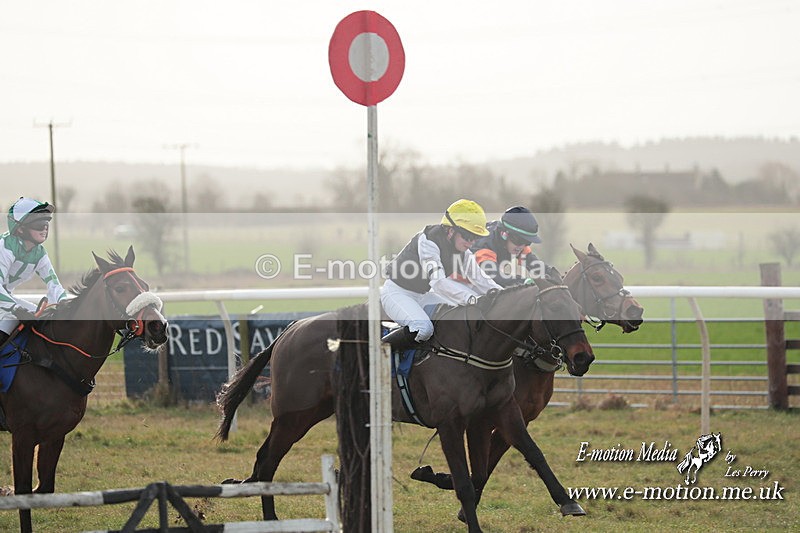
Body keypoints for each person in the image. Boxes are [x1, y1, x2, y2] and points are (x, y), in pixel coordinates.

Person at [380, 199, 503, 351]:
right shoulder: (428, 241)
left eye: (476, 238)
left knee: (458, 319)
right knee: (423, 329)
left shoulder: (463, 252)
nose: (471, 243)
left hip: (423, 296)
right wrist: (472, 299)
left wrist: (503, 296)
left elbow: (481, 279)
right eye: (468, 236)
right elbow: (438, 283)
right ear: (450, 230)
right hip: (397, 293)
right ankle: (377, 354)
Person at [0, 197, 67, 346]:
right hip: (4, 301)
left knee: (44, 320)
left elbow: (53, 284)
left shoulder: (39, 253)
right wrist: (16, 308)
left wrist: (64, 302)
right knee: (10, 321)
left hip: (5, 300)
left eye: (46, 223)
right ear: (20, 228)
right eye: (38, 224)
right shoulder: (4, 246)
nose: (44, 228)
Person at [471, 206, 545, 287]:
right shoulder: (485, 245)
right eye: (519, 240)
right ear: (504, 234)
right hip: (462, 282)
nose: (521, 246)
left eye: (527, 242)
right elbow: (494, 276)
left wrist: (554, 277)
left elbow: (536, 266)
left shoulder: (516, 245)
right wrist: (524, 281)